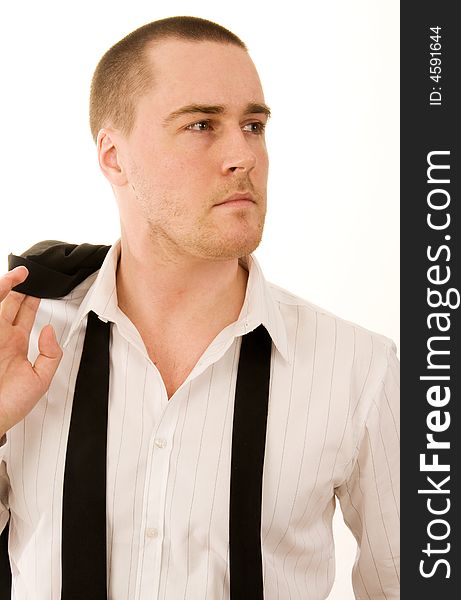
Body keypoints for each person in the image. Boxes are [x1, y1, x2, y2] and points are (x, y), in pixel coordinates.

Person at [0, 16, 399, 600]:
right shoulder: (23, 346)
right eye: (201, 124)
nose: (243, 155)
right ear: (114, 158)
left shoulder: (360, 369)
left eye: (254, 125)